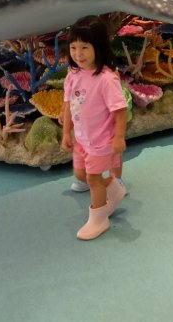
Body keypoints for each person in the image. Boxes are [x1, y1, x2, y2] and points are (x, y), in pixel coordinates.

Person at [61, 15, 128, 240]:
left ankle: (99, 220)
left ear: (98, 47)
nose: (78, 54)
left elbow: (120, 111)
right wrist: (66, 133)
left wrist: (119, 137)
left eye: (84, 47)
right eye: (73, 47)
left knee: (92, 180)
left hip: (101, 141)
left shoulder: (107, 79)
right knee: (81, 175)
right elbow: (68, 105)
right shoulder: (73, 75)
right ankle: (115, 188)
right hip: (81, 139)